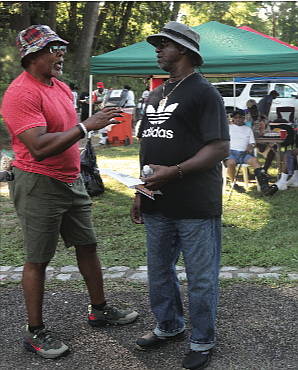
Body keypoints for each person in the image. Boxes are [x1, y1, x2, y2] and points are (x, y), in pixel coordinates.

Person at [1, 25, 138, 360]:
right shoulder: (20, 93)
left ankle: (100, 310)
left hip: (71, 180)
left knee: (88, 247)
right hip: (37, 182)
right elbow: (37, 147)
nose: (61, 54)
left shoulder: (60, 87)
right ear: (32, 56)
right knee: (38, 259)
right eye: (53, 49)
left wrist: (87, 128)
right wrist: (84, 126)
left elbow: (65, 133)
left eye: (61, 48)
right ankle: (35, 333)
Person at [130, 21, 230, 370]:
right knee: (159, 272)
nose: (157, 49)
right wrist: (141, 191)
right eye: (156, 44)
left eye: (163, 44)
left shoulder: (205, 93)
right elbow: (148, 148)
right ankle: (169, 326)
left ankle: (202, 339)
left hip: (196, 205)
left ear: (184, 50)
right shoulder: (157, 93)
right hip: (158, 203)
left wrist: (174, 173)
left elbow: (219, 147)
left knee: (201, 277)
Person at [225, 109, 278, 195]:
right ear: (233, 119)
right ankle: (233, 183)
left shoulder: (248, 129)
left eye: (240, 117)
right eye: (236, 117)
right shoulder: (228, 127)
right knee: (231, 162)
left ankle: (265, 187)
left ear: (243, 118)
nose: (238, 119)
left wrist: (251, 146)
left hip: (244, 153)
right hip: (231, 152)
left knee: (255, 160)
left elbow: (253, 142)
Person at [245, 99, 276, 174]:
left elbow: (267, 132)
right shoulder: (245, 118)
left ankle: (264, 171)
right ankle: (247, 172)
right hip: (249, 142)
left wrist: (265, 142)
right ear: (248, 109)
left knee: (274, 147)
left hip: (262, 140)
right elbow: (244, 135)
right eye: (251, 108)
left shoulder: (263, 118)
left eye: (255, 107)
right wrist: (257, 144)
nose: (254, 110)